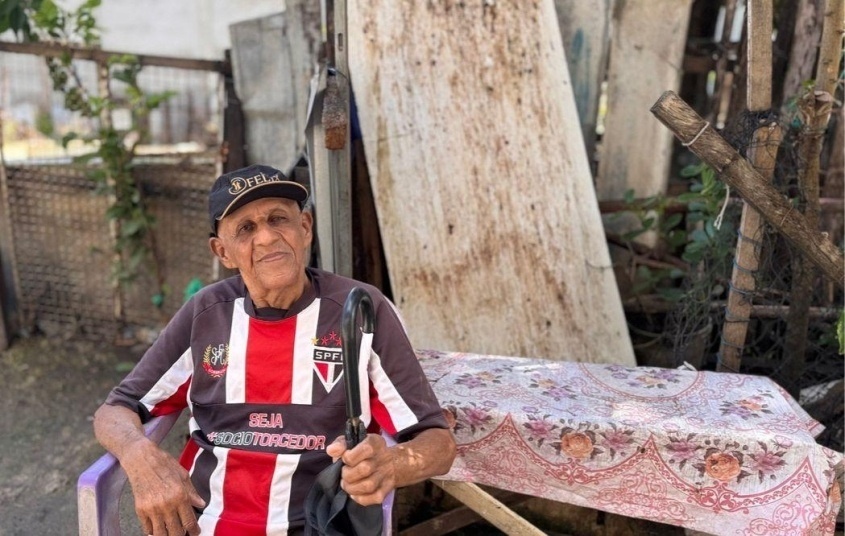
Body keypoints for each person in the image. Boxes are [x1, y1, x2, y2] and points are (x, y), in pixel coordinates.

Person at [93, 164, 456, 536]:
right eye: (246, 229)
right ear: (223, 251)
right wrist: (140, 457)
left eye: (278, 219)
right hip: (204, 523)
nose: (266, 237)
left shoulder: (360, 309)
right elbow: (116, 410)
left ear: (305, 228)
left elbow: (437, 442)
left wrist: (391, 465)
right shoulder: (205, 314)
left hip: (317, 525)